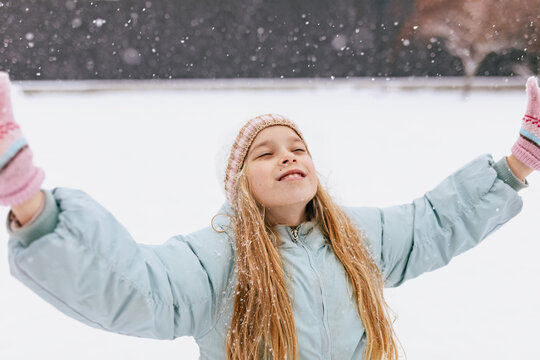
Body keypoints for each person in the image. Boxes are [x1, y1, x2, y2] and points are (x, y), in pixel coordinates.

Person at [1, 70, 538, 360]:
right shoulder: (214, 259)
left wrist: (520, 161)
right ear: (239, 184)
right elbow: (134, 288)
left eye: (297, 147)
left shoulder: (358, 238)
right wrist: (30, 202)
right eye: (266, 152)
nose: (288, 155)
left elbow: (437, 224)